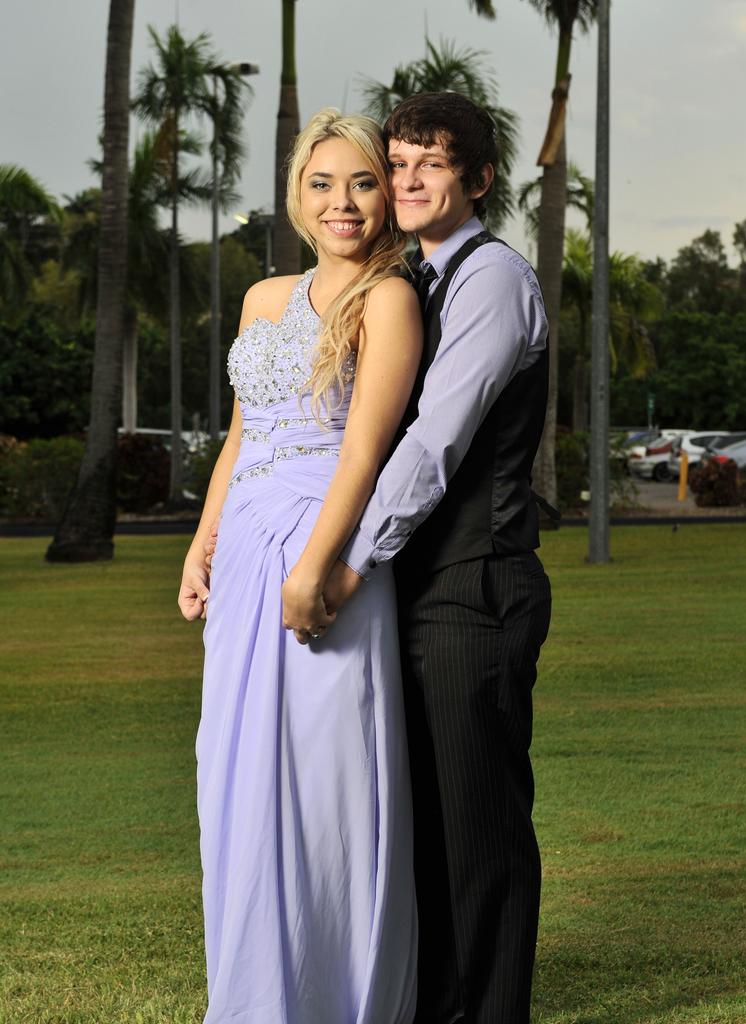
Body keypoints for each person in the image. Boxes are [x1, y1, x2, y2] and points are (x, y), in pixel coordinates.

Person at [311, 93, 554, 1023]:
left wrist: (348, 562)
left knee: (476, 827)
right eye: (399, 162)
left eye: (433, 164)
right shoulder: (408, 278)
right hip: (418, 590)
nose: (408, 180)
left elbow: (433, 445)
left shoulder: (490, 279)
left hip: (476, 583)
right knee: (417, 821)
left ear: (479, 179)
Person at [178, 108, 422, 1024]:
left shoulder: (390, 299)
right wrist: (204, 550)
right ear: (297, 197)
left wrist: (314, 570)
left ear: (385, 197)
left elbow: (365, 455)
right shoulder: (261, 298)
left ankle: (334, 997)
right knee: (233, 776)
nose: (343, 202)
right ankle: (253, 996)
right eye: (323, 184)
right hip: (245, 557)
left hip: (323, 558)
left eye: (362, 182)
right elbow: (240, 441)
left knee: (325, 785)